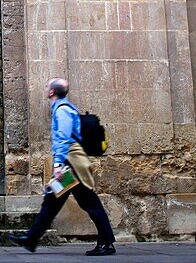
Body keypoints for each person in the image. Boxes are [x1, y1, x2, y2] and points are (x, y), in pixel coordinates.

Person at [8, 78, 116, 256]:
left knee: (89, 202)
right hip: (70, 164)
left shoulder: (63, 110)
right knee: (52, 201)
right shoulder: (64, 108)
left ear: (52, 92)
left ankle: (106, 243)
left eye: (47, 87)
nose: (45, 89)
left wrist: (58, 165)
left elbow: (63, 139)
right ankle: (31, 238)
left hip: (71, 165)